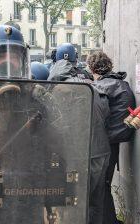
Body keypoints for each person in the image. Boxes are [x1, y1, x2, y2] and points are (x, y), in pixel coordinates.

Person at [0, 25, 94, 224]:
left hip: (30, 194)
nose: (7, 61)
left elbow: (62, 144)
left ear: (23, 58)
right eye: (0, 56)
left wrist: (62, 184)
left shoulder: (40, 97)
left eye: (13, 55)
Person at [49, 43, 112, 224]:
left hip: (79, 155)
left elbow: (57, 126)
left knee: (75, 202)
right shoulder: (91, 83)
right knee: (96, 202)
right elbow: (105, 114)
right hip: (102, 152)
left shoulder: (58, 88)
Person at [87, 52, 136, 224]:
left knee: (97, 188)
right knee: (104, 184)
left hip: (99, 145)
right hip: (114, 143)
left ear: (91, 68)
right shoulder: (122, 84)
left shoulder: (99, 87)